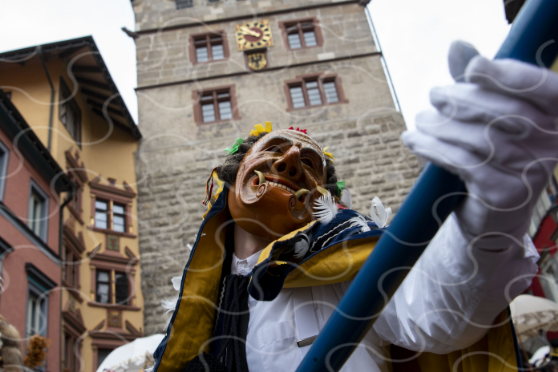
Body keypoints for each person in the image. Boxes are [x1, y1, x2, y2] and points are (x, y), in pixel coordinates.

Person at [151, 41, 557, 372]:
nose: (290, 160)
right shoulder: (198, 314)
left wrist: (486, 217)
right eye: (274, 149)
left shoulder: (347, 263)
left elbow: (436, 315)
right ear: (232, 176)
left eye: (309, 166)